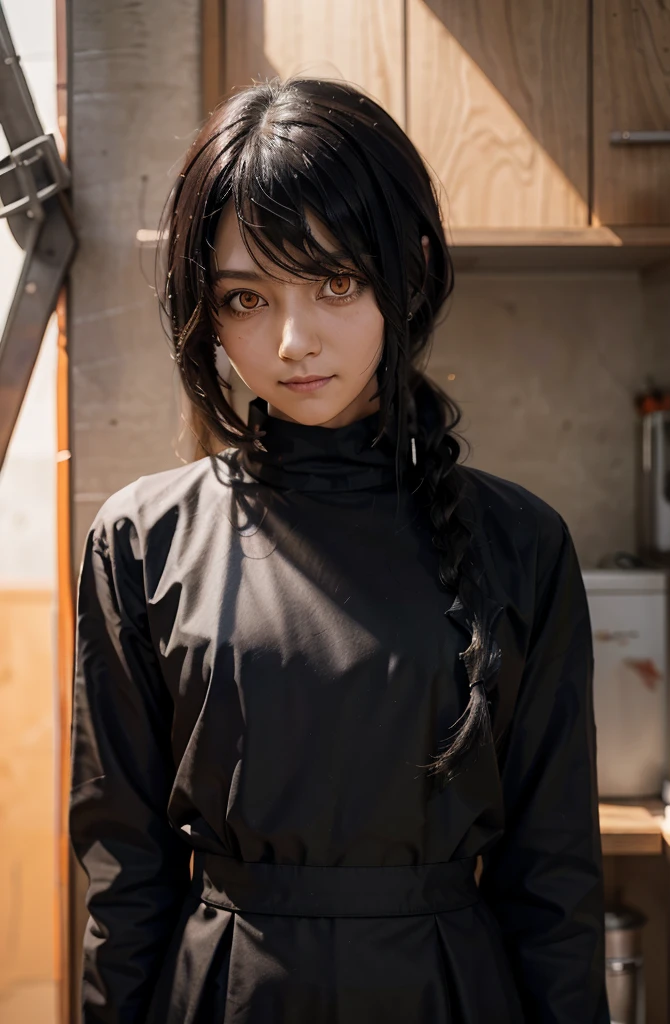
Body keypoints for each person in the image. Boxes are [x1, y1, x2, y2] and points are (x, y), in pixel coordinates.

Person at [69, 77, 610, 1024]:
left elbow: (555, 880)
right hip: (218, 995)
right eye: (246, 295)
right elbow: (123, 873)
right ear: (205, 307)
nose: (291, 339)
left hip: (452, 993)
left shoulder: (523, 543)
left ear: (410, 270)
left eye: (336, 281)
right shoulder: (140, 541)